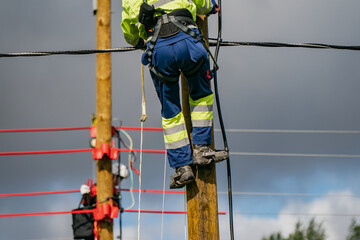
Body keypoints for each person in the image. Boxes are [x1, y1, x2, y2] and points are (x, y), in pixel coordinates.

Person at [121, 0, 228, 189]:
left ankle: (182, 167)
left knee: (170, 110)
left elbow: (129, 29)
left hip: (159, 47)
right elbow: (202, 4)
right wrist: (212, 6)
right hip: (188, 41)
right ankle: (202, 149)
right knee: (201, 96)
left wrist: (139, 42)